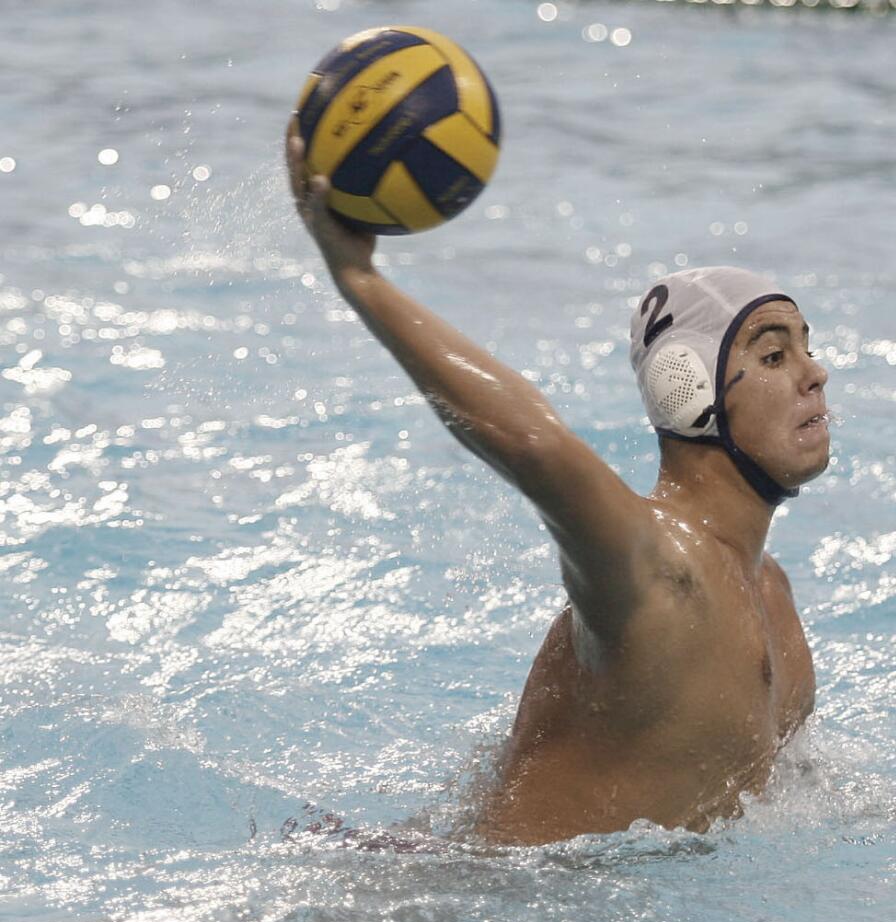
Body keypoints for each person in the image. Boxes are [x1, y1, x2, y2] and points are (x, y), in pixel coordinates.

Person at [285, 126, 831, 845]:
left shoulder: (773, 600)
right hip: (475, 909)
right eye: (771, 353)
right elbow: (534, 444)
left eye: (807, 346)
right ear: (687, 390)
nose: (813, 372)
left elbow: (789, 800)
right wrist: (359, 278)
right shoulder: (655, 570)